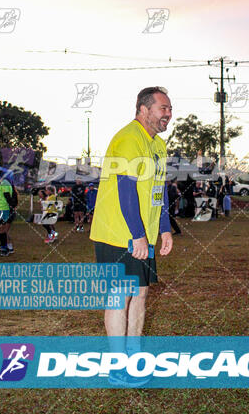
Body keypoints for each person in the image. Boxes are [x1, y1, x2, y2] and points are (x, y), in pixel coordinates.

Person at [90, 86, 173, 386]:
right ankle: (116, 368)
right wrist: (138, 234)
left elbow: (158, 192)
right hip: (118, 236)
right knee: (119, 297)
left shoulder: (158, 146)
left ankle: (134, 358)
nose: (168, 114)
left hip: (143, 237)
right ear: (143, 109)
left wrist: (163, 227)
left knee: (139, 294)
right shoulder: (128, 138)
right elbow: (126, 190)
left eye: (169, 108)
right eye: (163, 108)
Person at [0, 170, 14, 256]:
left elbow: (7, 195)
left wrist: (10, 206)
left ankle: (4, 249)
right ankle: (4, 247)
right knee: (0, 228)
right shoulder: (5, 182)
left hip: (3, 208)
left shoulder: (4, 183)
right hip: (2, 208)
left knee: (1, 228)